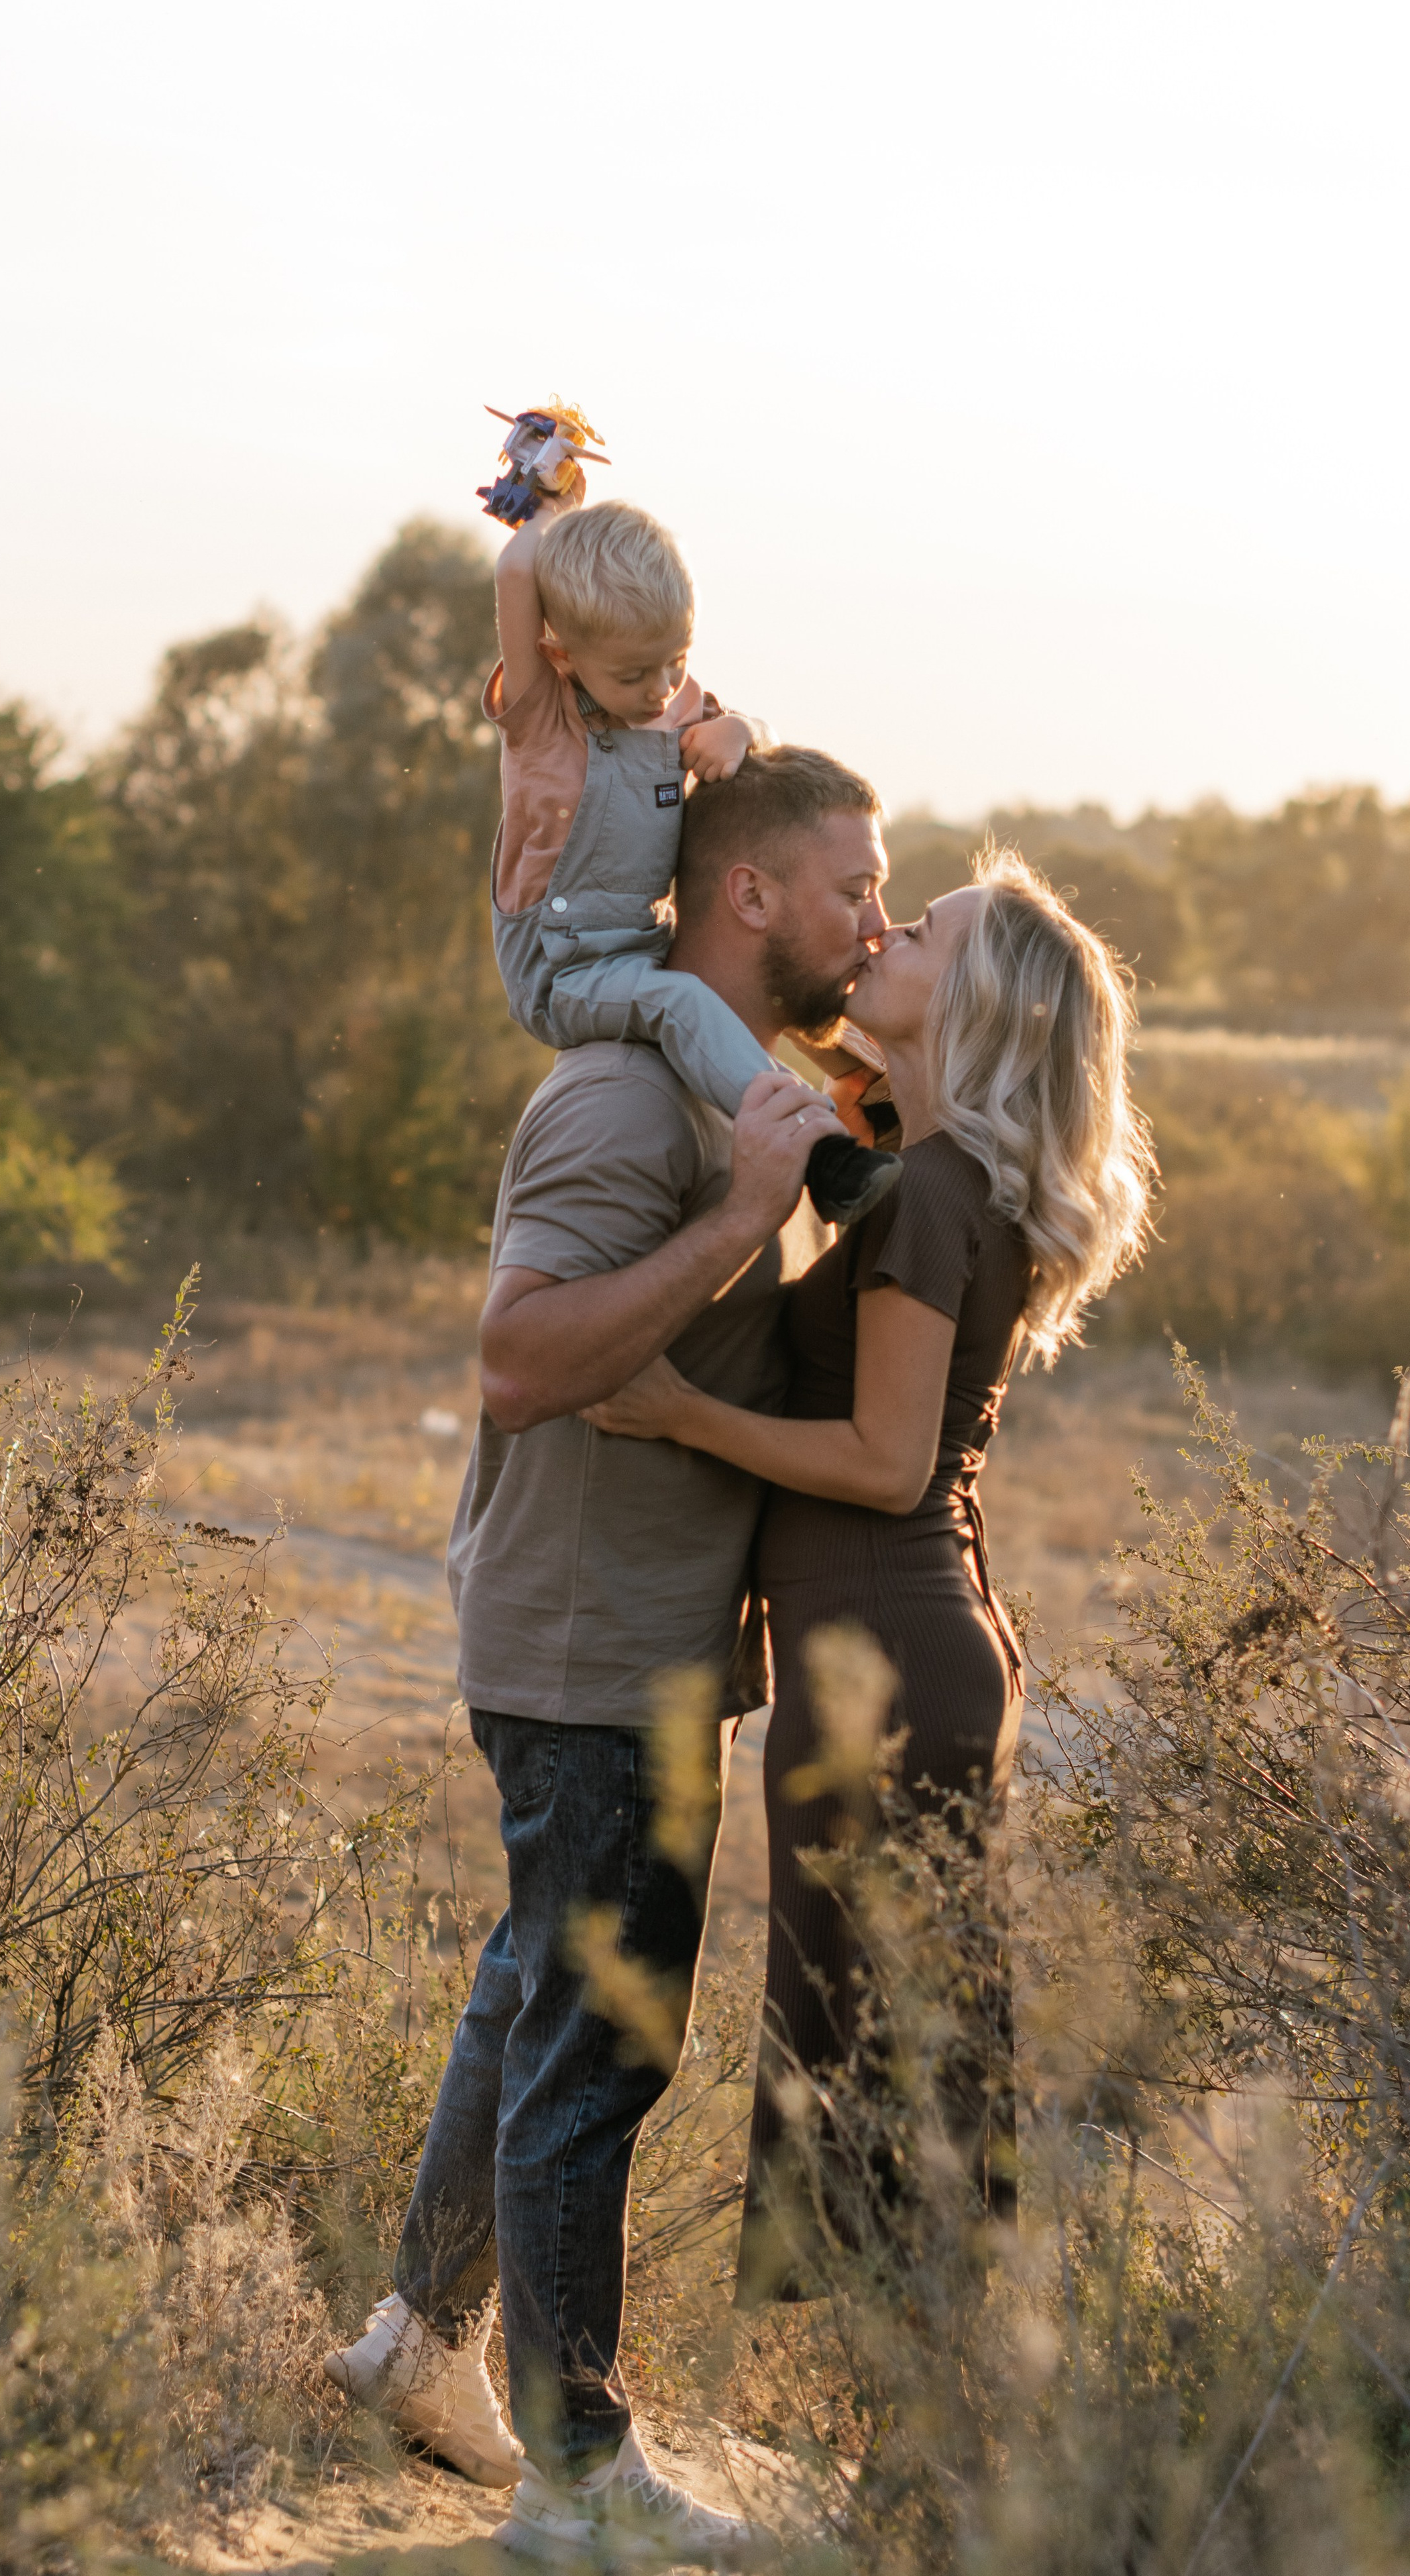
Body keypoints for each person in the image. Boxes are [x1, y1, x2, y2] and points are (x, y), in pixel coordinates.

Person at [326, 746, 890, 2567]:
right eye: (851, 890)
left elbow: (787, 872)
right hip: (588, 1652)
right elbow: (516, 1357)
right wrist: (740, 1222)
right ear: (748, 899)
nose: (873, 920)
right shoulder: (628, 1111)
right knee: (603, 2049)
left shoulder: (729, 1079)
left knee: (532, 1992)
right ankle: (581, 2479)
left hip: (624, 1638)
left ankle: (420, 2342)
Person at [584, 848, 1154, 2298]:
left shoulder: (924, 1197)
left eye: (923, 932)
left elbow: (884, 1463)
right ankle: (944, 2432)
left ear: (974, 1012)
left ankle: (926, 2435)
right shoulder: (933, 1169)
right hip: (917, 1644)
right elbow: (794, 1011)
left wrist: (681, 1412)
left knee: (877, 2056)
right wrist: (725, 765)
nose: (884, 929)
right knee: (910, 2045)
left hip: (883, 1658)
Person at [486, 484, 898, 1227]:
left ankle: (881, 1087)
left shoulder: (672, 702)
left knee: (770, 974)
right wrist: (547, 503)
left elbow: (748, 730)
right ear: (562, 655)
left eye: (675, 661)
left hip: (641, 943)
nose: (659, 690)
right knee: (683, 1002)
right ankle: (822, 1161)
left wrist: (738, 728)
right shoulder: (539, 716)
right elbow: (517, 573)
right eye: (633, 674)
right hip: (563, 968)